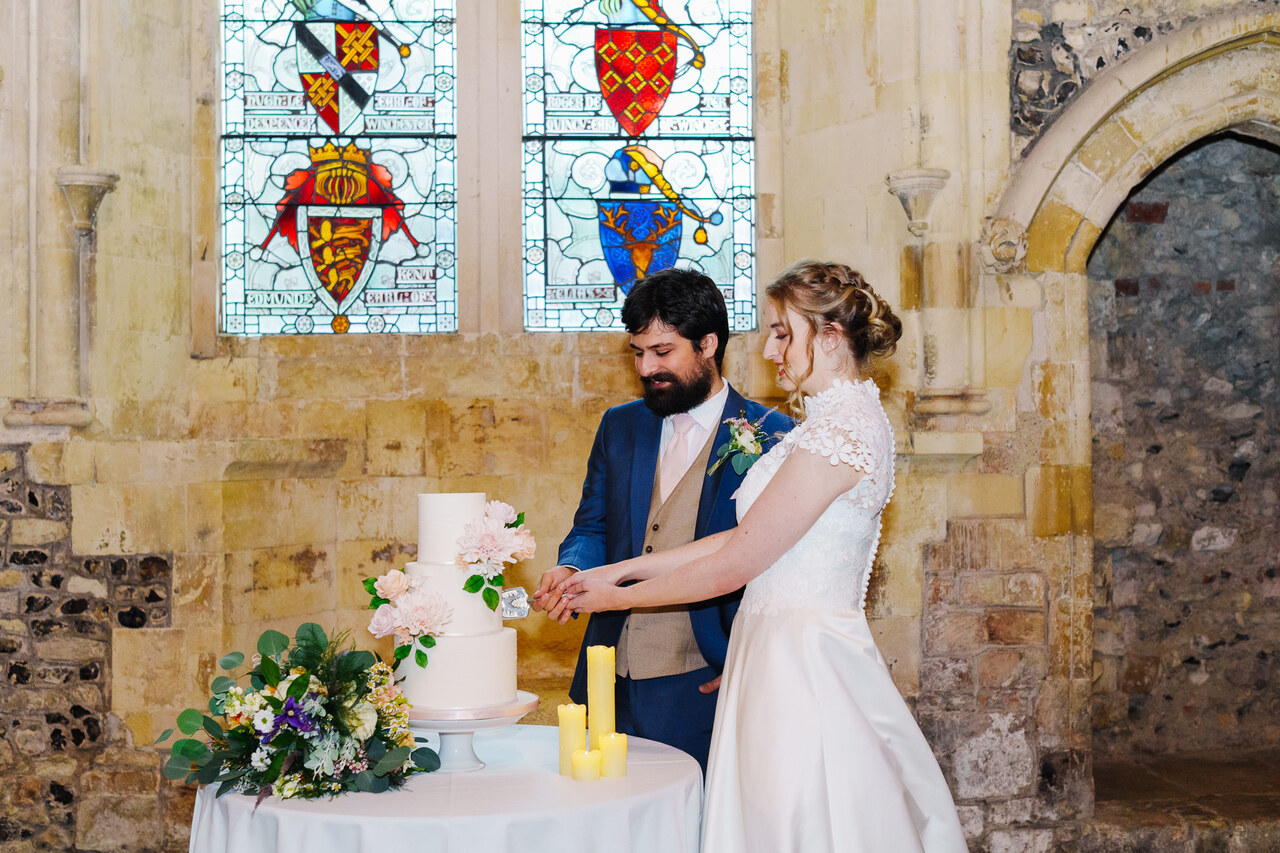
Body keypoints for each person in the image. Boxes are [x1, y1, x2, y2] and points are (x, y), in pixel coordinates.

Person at [560, 261, 969, 853]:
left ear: (828, 336)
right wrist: (617, 570)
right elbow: (743, 537)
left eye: (782, 332)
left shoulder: (843, 431)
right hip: (774, 646)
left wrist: (615, 598)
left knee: (799, 817)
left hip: (803, 657)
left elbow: (736, 564)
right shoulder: (824, 423)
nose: (769, 348)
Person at [530, 267, 793, 771]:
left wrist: (749, 658)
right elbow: (592, 526)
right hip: (610, 674)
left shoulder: (772, 434)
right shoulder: (620, 426)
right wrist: (570, 567)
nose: (646, 368)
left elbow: (778, 562)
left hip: (705, 674)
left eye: (663, 351)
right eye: (638, 352)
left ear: (708, 344)